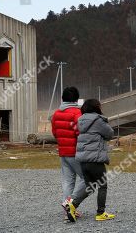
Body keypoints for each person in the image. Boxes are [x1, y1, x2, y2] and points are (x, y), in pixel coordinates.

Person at [64, 99, 116, 222]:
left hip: (83, 160)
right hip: (95, 159)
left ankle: (72, 205)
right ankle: (101, 213)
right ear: (96, 107)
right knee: (103, 185)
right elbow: (110, 134)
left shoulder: (80, 120)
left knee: (90, 186)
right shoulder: (98, 120)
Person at [51, 86, 85, 220]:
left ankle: (68, 212)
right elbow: (80, 133)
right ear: (77, 99)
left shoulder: (56, 113)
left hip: (63, 152)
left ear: (62, 98)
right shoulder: (78, 114)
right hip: (75, 153)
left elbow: (55, 133)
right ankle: (70, 204)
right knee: (86, 179)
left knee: (67, 181)